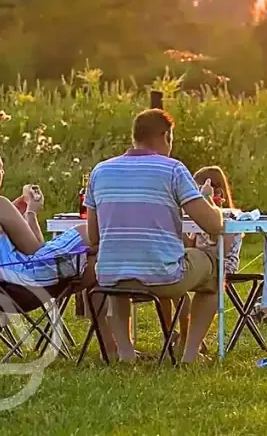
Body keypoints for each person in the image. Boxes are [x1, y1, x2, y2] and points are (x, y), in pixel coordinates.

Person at [85, 108, 223, 363]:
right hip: (162, 277)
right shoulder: (172, 170)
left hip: (110, 276)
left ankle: (126, 352)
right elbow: (213, 225)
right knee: (214, 268)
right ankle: (190, 353)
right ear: (166, 136)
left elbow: (94, 236)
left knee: (121, 265)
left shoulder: (100, 171)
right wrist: (209, 201)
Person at [0, 142, 93, 288]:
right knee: (87, 232)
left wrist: (17, 207)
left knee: (93, 256)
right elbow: (35, 250)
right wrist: (31, 212)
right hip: (22, 280)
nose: (3, 173)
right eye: (1, 169)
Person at [177, 165, 243, 358]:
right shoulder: (197, 216)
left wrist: (206, 203)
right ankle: (186, 336)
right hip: (200, 261)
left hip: (222, 264)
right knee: (173, 285)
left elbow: (220, 248)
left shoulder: (231, 216)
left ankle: (189, 341)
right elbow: (191, 244)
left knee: (210, 277)